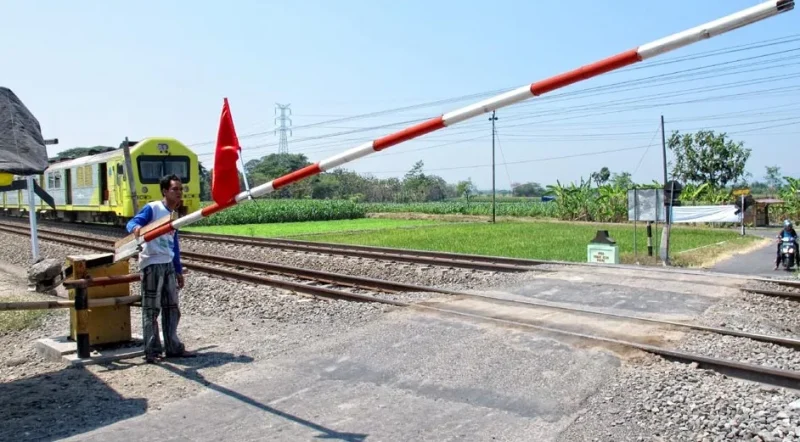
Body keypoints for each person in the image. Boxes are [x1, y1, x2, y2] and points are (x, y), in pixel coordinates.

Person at [126, 173, 195, 363]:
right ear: (165, 191)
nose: (179, 192)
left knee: (172, 307)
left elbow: (174, 244)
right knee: (151, 310)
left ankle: (173, 347)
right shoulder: (153, 208)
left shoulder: (175, 215)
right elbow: (132, 222)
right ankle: (152, 350)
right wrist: (135, 229)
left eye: (181, 189)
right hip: (152, 263)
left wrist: (178, 270)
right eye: (175, 189)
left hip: (167, 263)